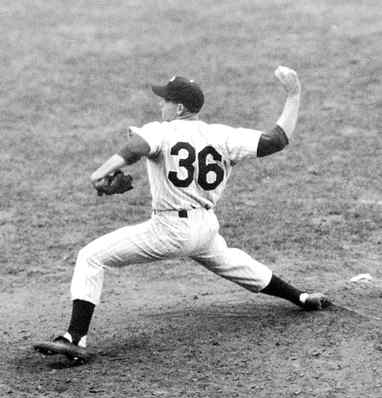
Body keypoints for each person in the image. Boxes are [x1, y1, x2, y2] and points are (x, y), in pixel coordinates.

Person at [34, 66, 331, 363]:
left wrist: (100, 174)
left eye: (164, 100)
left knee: (91, 256)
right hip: (205, 230)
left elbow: (136, 146)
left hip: (169, 230)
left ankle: (75, 337)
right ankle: (301, 297)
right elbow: (276, 140)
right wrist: (294, 95)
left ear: (178, 108)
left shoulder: (161, 130)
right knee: (233, 262)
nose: (159, 105)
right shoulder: (223, 135)